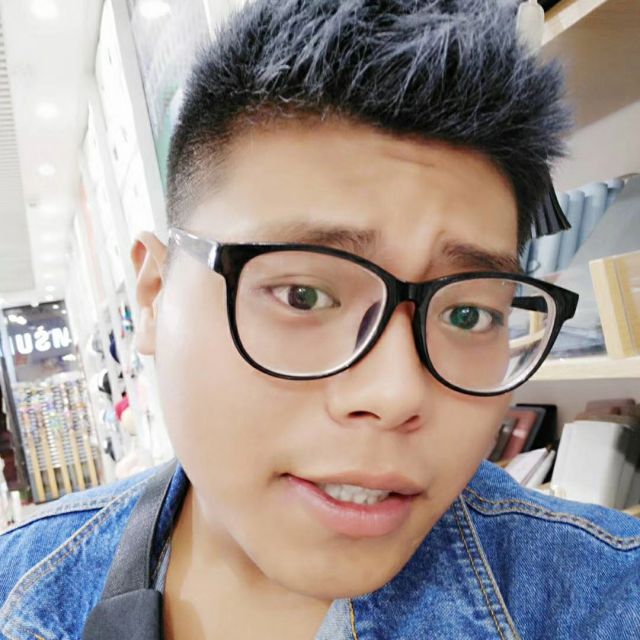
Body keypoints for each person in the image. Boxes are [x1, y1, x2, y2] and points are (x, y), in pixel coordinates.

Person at [1, 1, 639, 638]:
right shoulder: (20, 587)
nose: (396, 394)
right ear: (155, 295)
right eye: (303, 296)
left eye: (468, 314)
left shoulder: (603, 598)